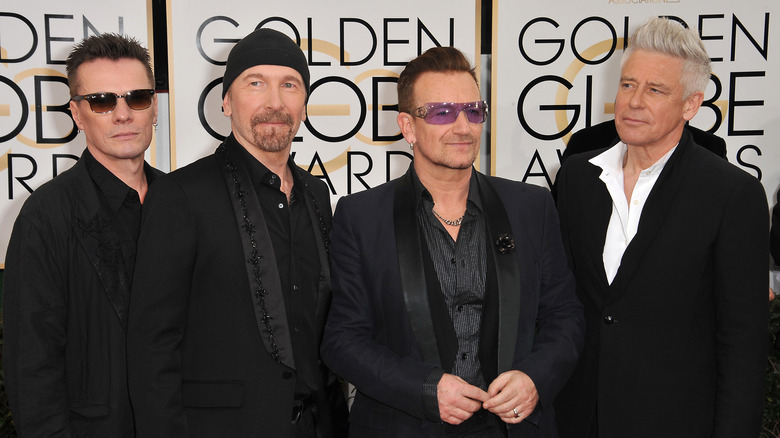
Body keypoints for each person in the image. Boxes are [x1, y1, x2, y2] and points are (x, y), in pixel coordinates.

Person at [321, 46, 584, 437]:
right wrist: (426, 390)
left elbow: (565, 317)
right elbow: (342, 340)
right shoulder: (361, 217)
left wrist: (533, 379)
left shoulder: (532, 207)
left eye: (473, 111)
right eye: (442, 112)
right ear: (408, 127)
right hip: (406, 425)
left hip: (511, 428)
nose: (463, 127)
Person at [126, 28, 347, 437]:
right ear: (226, 101)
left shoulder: (317, 194)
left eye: (290, 85)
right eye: (256, 83)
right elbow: (151, 348)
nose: (275, 102)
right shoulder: (179, 195)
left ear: (303, 103)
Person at [554, 17, 769, 438]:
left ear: (691, 105)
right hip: (578, 418)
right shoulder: (578, 177)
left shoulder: (731, 194)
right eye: (628, 85)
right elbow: (564, 303)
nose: (633, 102)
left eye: (655, 90)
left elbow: (743, 343)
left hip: (675, 422)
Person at [2, 33, 161, 436]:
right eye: (103, 101)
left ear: (153, 107)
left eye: (137, 98)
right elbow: (31, 366)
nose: (123, 114)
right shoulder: (46, 215)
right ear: (76, 113)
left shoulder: (182, 202)